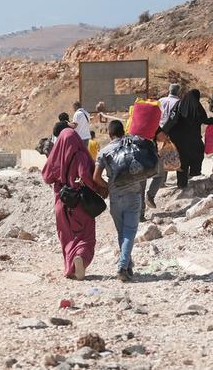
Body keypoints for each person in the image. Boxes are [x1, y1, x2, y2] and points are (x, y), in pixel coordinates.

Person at [41, 128, 99, 281]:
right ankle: (80, 257)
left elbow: (46, 177)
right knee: (86, 236)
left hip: (61, 203)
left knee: (67, 237)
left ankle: (69, 268)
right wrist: (96, 189)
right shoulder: (80, 156)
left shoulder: (56, 157)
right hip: (79, 203)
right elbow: (86, 176)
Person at [94, 120, 143, 282]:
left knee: (122, 232)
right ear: (123, 132)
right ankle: (123, 266)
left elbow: (96, 177)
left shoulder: (105, 151)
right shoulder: (133, 145)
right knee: (130, 231)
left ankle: (127, 265)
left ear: (109, 134)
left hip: (115, 197)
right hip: (134, 195)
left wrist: (109, 186)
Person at [161, 89, 213, 188]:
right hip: (193, 139)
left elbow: (171, 120)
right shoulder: (197, 106)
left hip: (179, 139)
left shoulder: (179, 105)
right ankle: (194, 172)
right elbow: (203, 118)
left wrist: (164, 132)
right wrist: (211, 121)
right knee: (198, 152)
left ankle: (182, 183)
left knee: (183, 161)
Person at [146, 84, 182, 209]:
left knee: (162, 155)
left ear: (169, 91)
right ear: (179, 92)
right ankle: (167, 180)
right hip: (169, 133)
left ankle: (162, 182)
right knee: (171, 155)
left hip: (157, 132)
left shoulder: (161, 101)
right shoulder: (179, 102)